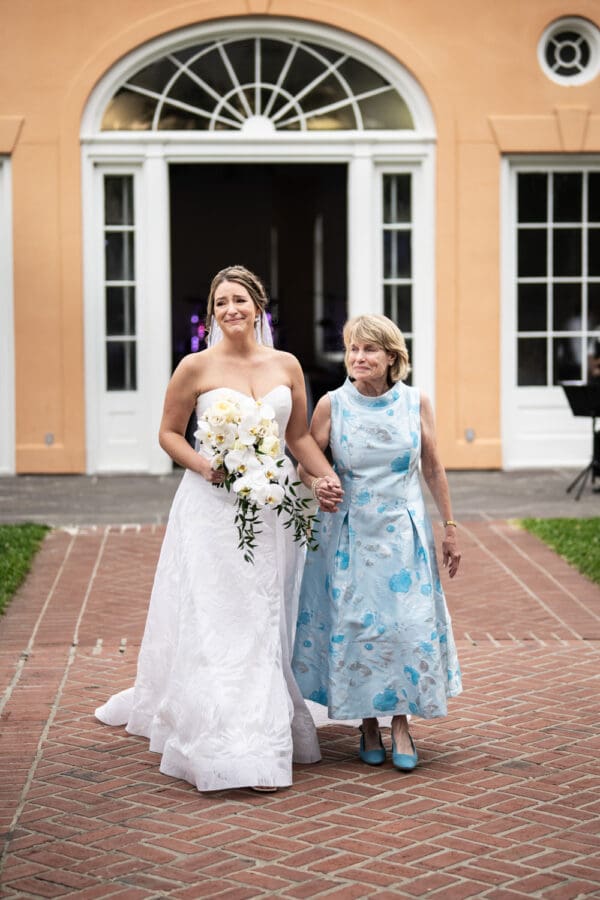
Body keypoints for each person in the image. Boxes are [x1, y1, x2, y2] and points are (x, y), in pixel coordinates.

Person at [95, 265, 341, 792]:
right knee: (216, 613)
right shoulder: (194, 367)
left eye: (240, 300)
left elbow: (297, 437)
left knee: (261, 611)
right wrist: (206, 466)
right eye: (221, 301)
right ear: (213, 310)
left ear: (259, 306)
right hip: (210, 508)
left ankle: (263, 720)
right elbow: (167, 433)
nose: (231, 309)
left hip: (271, 507)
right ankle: (226, 736)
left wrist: (326, 478)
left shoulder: (287, 364)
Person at [292, 314, 462, 771]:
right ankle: (368, 722)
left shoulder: (415, 402)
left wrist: (449, 526)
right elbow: (304, 463)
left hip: (404, 535)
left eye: (369, 349)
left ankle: (401, 723)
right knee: (359, 627)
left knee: (405, 626)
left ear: (392, 357)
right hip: (349, 534)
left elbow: (432, 468)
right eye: (351, 349)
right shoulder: (332, 404)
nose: (358, 358)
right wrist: (316, 483)